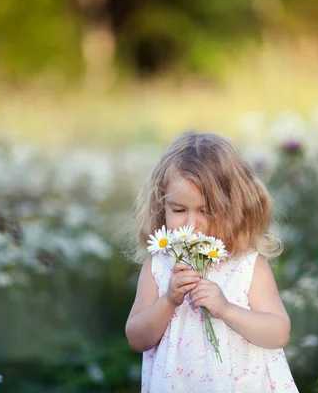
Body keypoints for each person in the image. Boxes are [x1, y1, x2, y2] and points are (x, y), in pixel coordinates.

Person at [125, 131, 299, 392]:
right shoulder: (159, 267)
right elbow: (136, 338)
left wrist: (227, 310)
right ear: (162, 207)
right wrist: (169, 300)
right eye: (179, 210)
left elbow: (278, 332)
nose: (191, 225)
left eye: (206, 211)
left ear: (235, 208)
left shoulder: (247, 266)